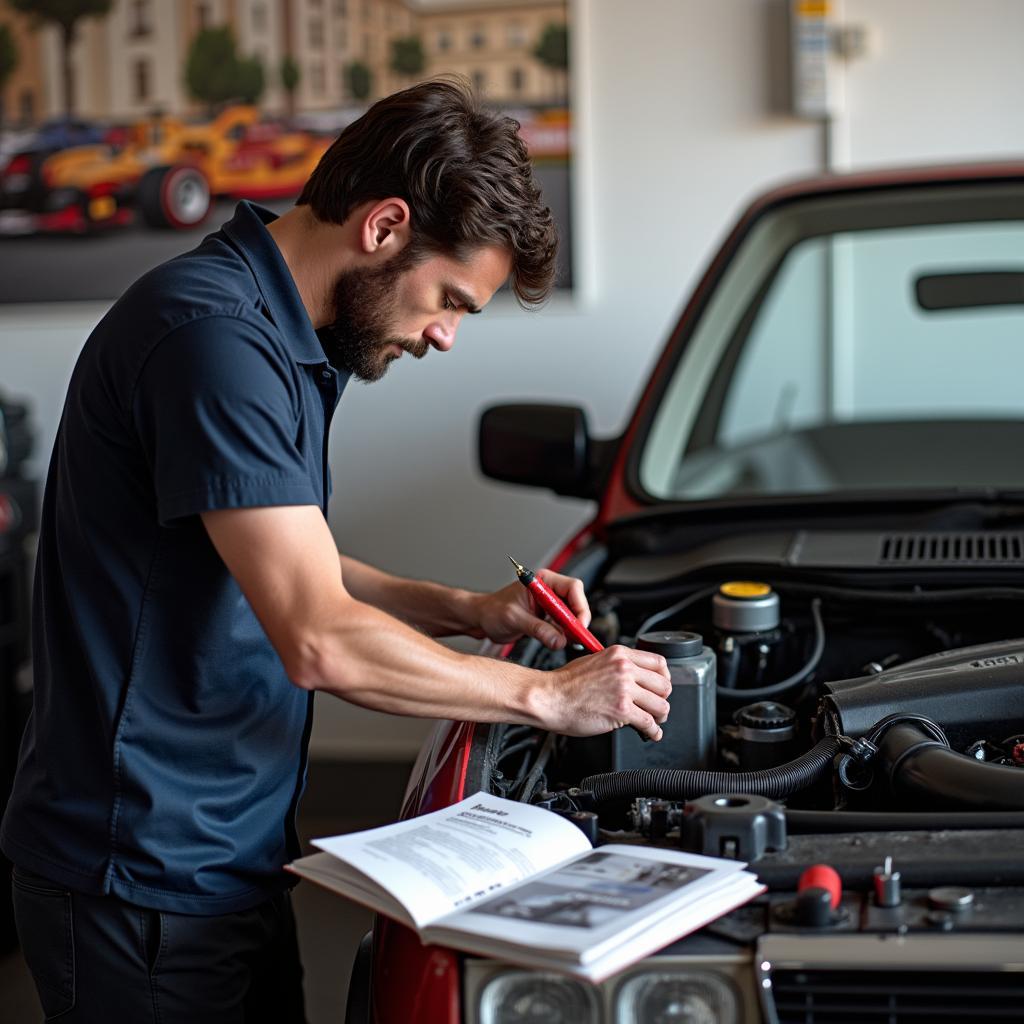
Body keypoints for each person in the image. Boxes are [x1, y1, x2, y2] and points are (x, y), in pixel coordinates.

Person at [1, 79, 671, 1022]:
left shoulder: (280, 332)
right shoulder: (214, 339)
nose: (444, 337)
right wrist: (548, 697)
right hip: (142, 877)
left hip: (224, 852)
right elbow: (317, 636)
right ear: (385, 225)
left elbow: (292, 563)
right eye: (449, 301)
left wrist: (472, 610)